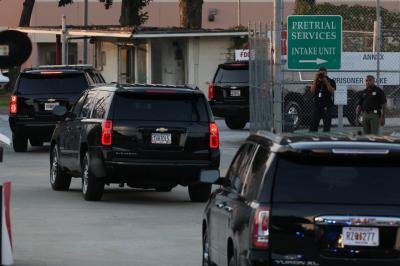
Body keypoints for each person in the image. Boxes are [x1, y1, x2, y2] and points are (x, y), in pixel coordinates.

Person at [309, 67, 336, 132]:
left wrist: (326, 81)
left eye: (324, 73)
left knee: (327, 125)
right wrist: (316, 78)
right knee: (313, 124)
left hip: (327, 106)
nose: (322, 75)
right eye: (320, 73)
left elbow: (332, 91)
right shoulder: (316, 81)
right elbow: (312, 91)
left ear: (327, 73)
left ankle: (326, 138)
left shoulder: (331, 81)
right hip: (317, 105)